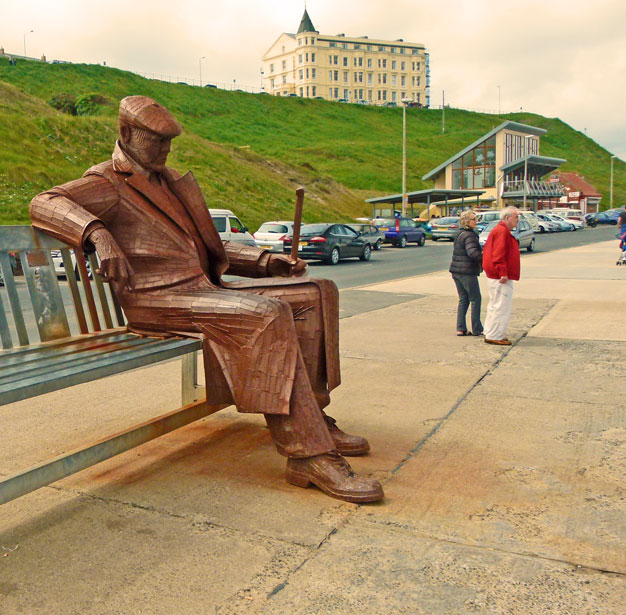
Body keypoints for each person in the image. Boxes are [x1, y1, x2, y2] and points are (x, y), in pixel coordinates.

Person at [30, 96, 382, 503]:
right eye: (157, 140)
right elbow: (45, 202)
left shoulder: (171, 182)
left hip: (199, 289)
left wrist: (267, 262)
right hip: (155, 299)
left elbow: (209, 247)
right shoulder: (106, 182)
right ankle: (309, 454)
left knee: (316, 292)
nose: (165, 149)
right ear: (126, 133)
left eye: (170, 142)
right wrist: (97, 232)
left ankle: (313, 418)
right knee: (265, 314)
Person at [482, 206, 521, 345]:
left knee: (494, 304)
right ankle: (494, 335)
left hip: (495, 274)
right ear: (507, 218)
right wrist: (503, 272)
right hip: (499, 275)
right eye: (516, 217)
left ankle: (490, 331)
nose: (518, 220)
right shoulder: (502, 232)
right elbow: (498, 254)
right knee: (501, 305)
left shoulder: (499, 230)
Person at [449, 210, 483, 336]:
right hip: (467, 271)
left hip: (456, 270)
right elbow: (472, 253)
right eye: (474, 219)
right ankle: (477, 328)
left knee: (463, 299)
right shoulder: (469, 235)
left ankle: (461, 328)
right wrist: (483, 255)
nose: (476, 221)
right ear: (467, 222)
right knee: (475, 299)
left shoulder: (459, 234)